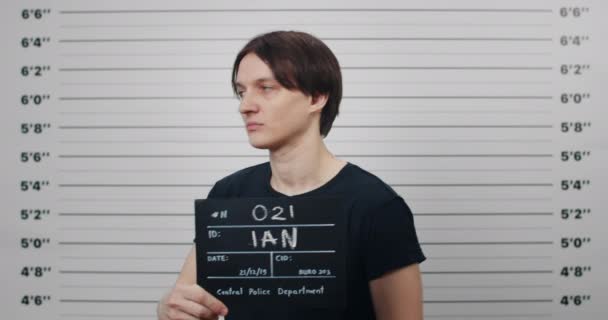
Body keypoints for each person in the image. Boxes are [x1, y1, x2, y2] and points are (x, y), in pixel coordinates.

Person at [157, 30, 426, 320]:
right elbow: (184, 300)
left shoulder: (376, 207)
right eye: (241, 91)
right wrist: (167, 309)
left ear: (317, 97)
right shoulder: (228, 194)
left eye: (266, 88)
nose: (245, 106)